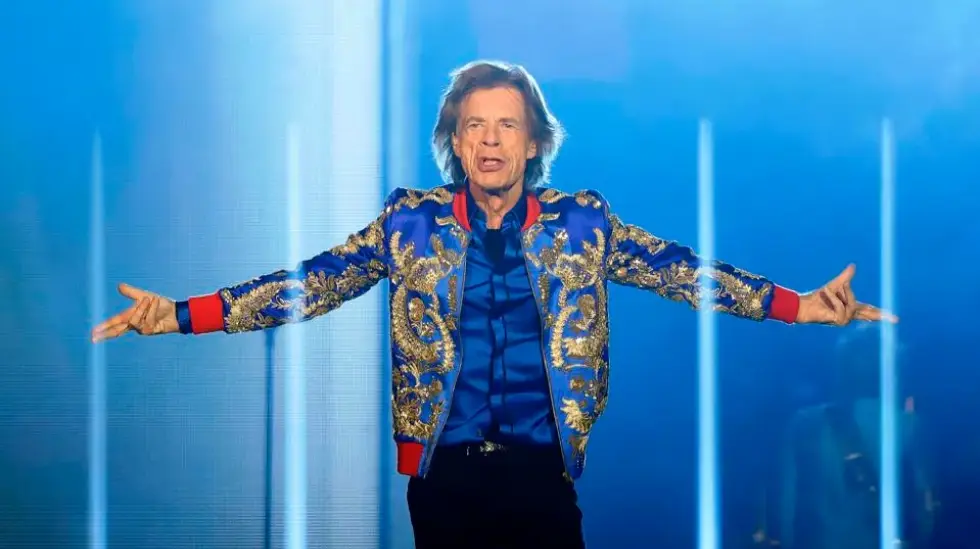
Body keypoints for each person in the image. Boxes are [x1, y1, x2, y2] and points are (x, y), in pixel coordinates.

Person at [92, 60, 895, 548]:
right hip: (444, 476)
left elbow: (682, 272)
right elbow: (312, 283)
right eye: (474, 126)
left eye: (506, 126)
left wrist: (801, 307)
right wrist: (179, 314)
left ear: (534, 140)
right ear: (455, 140)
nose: (489, 140)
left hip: (543, 474)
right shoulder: (411, 223)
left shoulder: (582, 224)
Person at [777, 324, 935, 549]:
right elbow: (924, 506)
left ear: (841, 367)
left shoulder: (806, 423)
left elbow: (789, 506)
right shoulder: (910, 426)